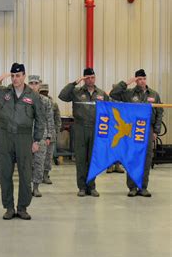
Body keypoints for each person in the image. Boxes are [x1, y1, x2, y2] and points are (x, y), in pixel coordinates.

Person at [0, 63, 45, 220]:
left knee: (25, 174)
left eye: (18, 75)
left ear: (24, 76)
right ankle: (9, 207)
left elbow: (40, 119)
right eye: (13, 76)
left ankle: (22, 208)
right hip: (6, 136)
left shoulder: (33, 95)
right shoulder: (2, 92)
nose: (15, 79)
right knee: (6, 174)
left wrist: (37, 140)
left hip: (24, 137)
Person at [109, 68, 163, 197]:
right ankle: (132, 187)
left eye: (144, 79)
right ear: (135, 80)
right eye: (139, 79)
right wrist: (127, 83)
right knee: (132, 158)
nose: (142, 81)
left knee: (146, 159)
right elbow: (113, 94)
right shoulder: (129, 94)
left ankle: (143, 187)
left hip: (148, 129)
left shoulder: (154, 94)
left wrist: (156, 130)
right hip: (132, 129)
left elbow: (160, 112)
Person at [58, 67, 109, 197]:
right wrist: (75, 82)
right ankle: (81, 187)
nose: (90, 80)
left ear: (95, 77)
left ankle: (91, 187)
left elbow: (112, 108)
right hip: (80, 128)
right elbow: (62, 96)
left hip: (96, 128)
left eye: (92, 77)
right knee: (80, 159)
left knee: (92, 158)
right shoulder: (76, 92)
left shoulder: (102, 94)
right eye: (87, 78)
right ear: (84, 78)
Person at [27, 76, 55, 197]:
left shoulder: (45, 101)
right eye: (31, 83)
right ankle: (26, 187)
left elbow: (50, 119)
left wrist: (49, 136)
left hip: (41, 136)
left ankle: (36, 187)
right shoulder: (23, 99)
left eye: (36, 83)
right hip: (26, 136)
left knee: (39, 162)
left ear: (39, 85)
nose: (33, 85)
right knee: (26, 163)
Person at [39, 83, 61, 184]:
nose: (44, 93)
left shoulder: (53, 104)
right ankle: (37, 176)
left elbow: (57, 119)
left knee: (48, 156)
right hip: (39, 135)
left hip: (50, 134)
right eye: (42, 92)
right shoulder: (36, 102)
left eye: (45, 91)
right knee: (38, 157)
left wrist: (55, 132)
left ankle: (45, 174)